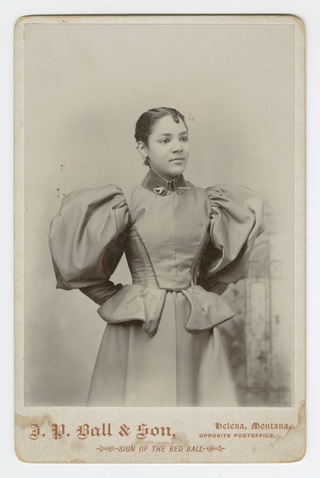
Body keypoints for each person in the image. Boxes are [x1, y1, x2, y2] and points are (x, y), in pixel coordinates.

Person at [49, 107, 265, 407]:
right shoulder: (126, 204)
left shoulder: (210, 202)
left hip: (194, 328)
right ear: (143, 148)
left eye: (183, 138)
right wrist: (120, 300)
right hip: (140, 329)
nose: (178, 147)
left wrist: (203, 295)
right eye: (165, 140)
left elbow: (223, 266)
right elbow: (82, 269)